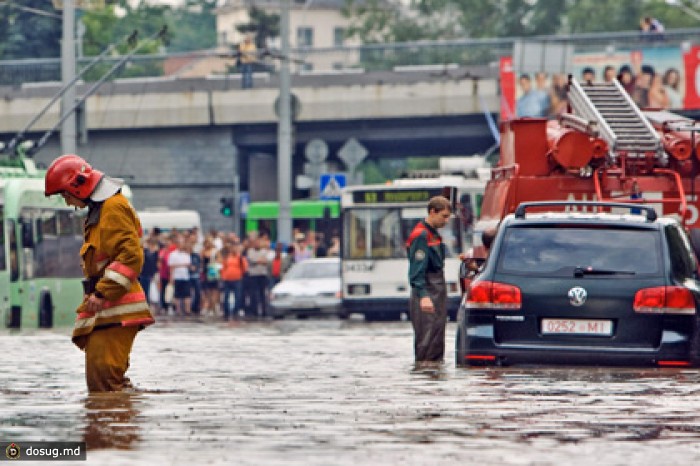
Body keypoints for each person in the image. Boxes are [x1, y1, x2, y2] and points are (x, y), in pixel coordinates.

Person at [44, 154, 154, 392]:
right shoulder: (101, 210)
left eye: (65, 195)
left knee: (105, 383)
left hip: (115, 308)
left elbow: (130, 256)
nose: (67, 202)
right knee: (103, 384)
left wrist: (103, 293)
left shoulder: (113, 207)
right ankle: (115, 423)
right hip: (107, 310)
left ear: (78, 187)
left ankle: (118, 426)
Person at [405, 195, 452, 365]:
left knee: (437, 336)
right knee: (427, 339)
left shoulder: (433, 235)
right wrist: (423, 296)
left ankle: (434, 378)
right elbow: (416, 272)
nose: (446, 221)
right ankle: (425, 378)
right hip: (428, 292)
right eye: (444, 216)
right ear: (433, 212)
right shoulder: (421, 236)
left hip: (436, 291)